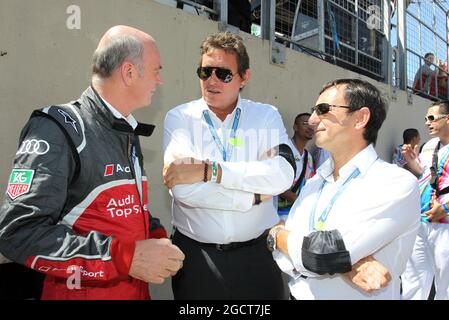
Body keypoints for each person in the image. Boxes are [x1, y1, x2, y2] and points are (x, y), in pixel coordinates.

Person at [0, 25, 184, 300]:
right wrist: (125, 257)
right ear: (129, 72)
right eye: (157, 70)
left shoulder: (124, 130)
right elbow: (17, 233)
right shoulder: (56, 128)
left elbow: (119, 210)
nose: (160, 81)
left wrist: (153, 232)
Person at [162, 32, 296, 299]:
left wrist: (211, 172)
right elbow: (183, 191)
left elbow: (283, 174)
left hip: (257, 255)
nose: (211, 81)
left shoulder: (266, 116)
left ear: (244, 77)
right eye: (205, 72)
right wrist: (254, 195)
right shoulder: (180, 117)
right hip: (197, 257)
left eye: (222, 74)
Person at [269, 78, 420, 299]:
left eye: (322, 110)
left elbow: (322, 253)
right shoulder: (315, 182)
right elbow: (287, 259)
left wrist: (276, 234)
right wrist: (343, 264)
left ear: (360, 118)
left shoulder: (394, 183)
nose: (312, 120)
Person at [401, 100, 449, 300]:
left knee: (445, 283)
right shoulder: (430, 145)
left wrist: (446, 208)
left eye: (432, 118)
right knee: (414, 279)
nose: (427, 123)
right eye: (425, 118)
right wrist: (412, 161)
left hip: (445, 223)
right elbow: (426, 176)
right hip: (422, 221)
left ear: (448, 119)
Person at [277, 113, 315, 220]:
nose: (310, 127)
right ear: (295, 127)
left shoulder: (309, 157)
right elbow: (274, 183)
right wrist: (299, 200)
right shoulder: (283, 149)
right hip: (276, 213)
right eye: (305, 123)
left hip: (295, 213)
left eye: (312, 124)